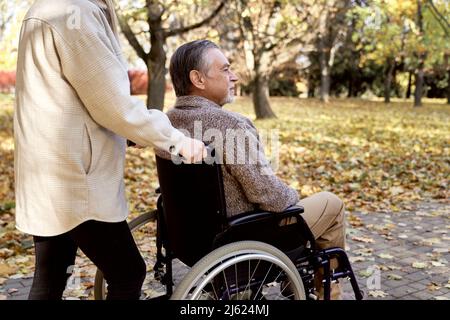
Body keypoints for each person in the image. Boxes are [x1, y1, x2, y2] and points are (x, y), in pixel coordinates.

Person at [14, 0, 206, 300]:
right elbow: (112, 103)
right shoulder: (73, 12)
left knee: (51, 275)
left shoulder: (47, 7)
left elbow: (74, 96)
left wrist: (125, 133)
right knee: (128, 272)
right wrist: (177, 139)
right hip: (76, 178)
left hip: (49, 172)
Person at [158, 40, 347, 299]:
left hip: (190, 240)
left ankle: (300, 284)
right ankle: (327, 291)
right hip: (243, 237)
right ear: (197, 79)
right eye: (225, 70)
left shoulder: (167, 122)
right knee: (331, 204)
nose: (234, 77)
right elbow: (269, 195)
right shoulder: (230, 125)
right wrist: (293, 198)